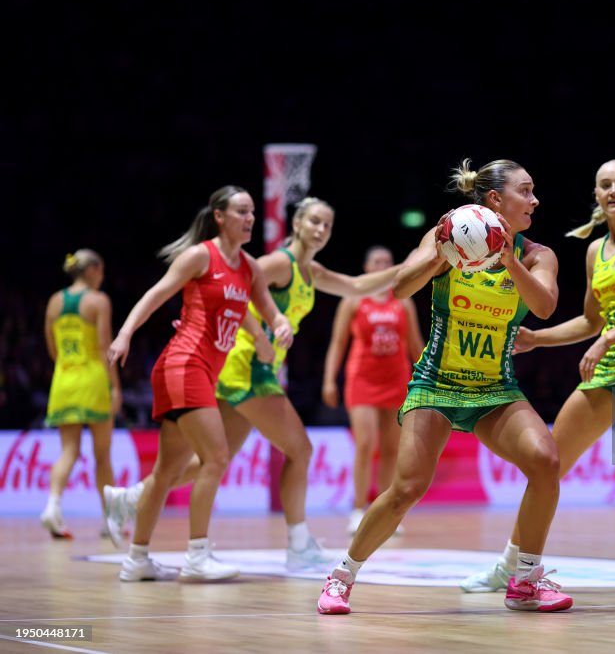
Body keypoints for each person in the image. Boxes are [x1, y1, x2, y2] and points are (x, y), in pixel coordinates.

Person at [317, 159, 571, 615]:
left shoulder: (537, 255)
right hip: (435, 383)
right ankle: (340, 578)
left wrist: (508, 258)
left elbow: (546, 305)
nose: (534, 200)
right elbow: (398, 288)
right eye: (526, 191)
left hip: (494, 389)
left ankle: (526, 580)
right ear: (495, 199)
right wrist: (439, 255)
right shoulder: (444, 237)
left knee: (545, 460)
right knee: (407, 488)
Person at [104, 197, 401, 569]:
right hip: (246, 366)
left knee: (208, 461)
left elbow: (357, 285)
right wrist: (262, 336)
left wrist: (410, 267)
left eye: (327, 225)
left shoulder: (312, 271)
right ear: (296, 224)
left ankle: (132, 497)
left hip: (248, 369)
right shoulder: (279, 263)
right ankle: (297, 543)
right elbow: (236, 287)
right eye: (314, 222)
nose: (321, 230)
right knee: (301, 450)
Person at [460, 159, 615, 601]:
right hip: (607, 364)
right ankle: (509, 566)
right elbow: (590, 321)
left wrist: (607, 341)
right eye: (605, 185)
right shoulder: (595, 250)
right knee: (548, 464)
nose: (613, 190)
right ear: (597, 195)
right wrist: (536, 338)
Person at [107, 185, 294, 582]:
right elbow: (156, 294)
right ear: (219, 216)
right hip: (183, 364)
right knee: (216, 458)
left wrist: (280, 327)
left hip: (201, 371)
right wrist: (124, 334)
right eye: (241, 212)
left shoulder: (249, 268)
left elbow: (270, 312)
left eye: (253, 213)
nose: (249, 219)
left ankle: (136, 558)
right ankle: (196, 557)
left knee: (166, 471)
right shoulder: (199, 256)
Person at [322, 245, 424, 535]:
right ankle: (357, 509)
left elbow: (415, 346)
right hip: (362, 380)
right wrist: (329, 380)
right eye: (377, 261)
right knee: (365, 444)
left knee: (392, 449)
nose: (383, 265)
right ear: (367, 268)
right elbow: (338, 343)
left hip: (396, 380)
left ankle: (385, 512)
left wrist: (428, 379)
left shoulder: (403, 302)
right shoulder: (354, 300)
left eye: (388, 261)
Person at [41, 249, 121, 539]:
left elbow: (52, 349)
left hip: (63, 380)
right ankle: (110, 521)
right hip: (93, 380)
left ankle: (53, 506)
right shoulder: (98, 301)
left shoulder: (53, 301)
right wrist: (115, 387)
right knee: (102, 455)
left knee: (68, 451)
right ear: (93, 270)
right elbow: (103, 347)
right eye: (101, 271)